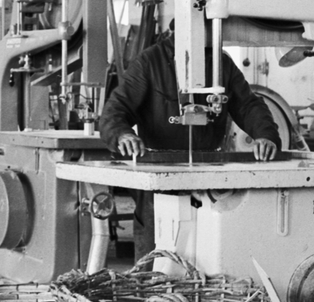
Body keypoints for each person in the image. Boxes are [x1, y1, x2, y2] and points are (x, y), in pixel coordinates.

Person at [99, 25, 281, 257]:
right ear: (178, 29)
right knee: (157, 257)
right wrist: (122, 134)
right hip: (159, 176)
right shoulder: (150, 62)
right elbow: (115, 110)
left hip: (208, 175)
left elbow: (248, 105)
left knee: (209, 254)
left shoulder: (221, 64)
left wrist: (265, 136)